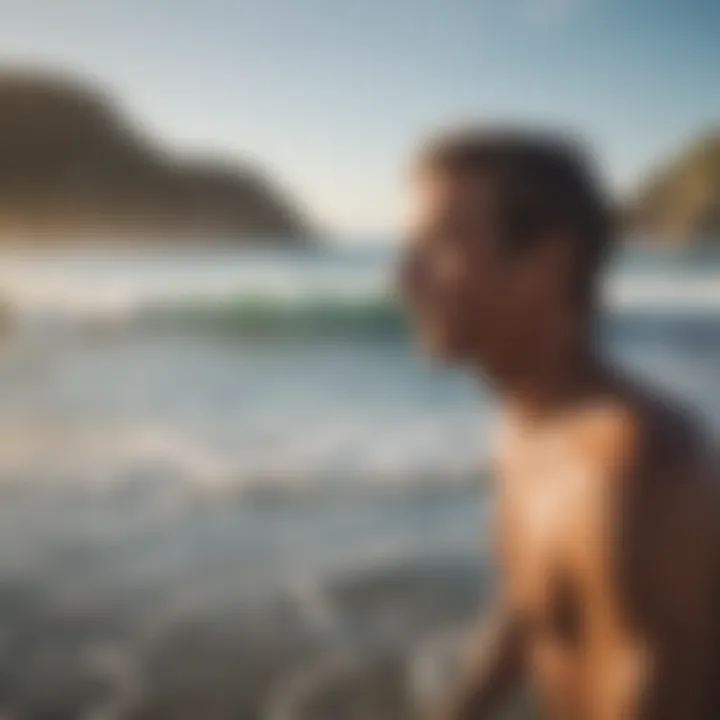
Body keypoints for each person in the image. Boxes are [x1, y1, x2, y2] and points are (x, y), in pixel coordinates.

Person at [399, 129, 720, 719]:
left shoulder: (640, 473)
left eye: (440, 244)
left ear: (551, 263)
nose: (404, 276)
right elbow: (534, 604)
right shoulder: (528, 421)